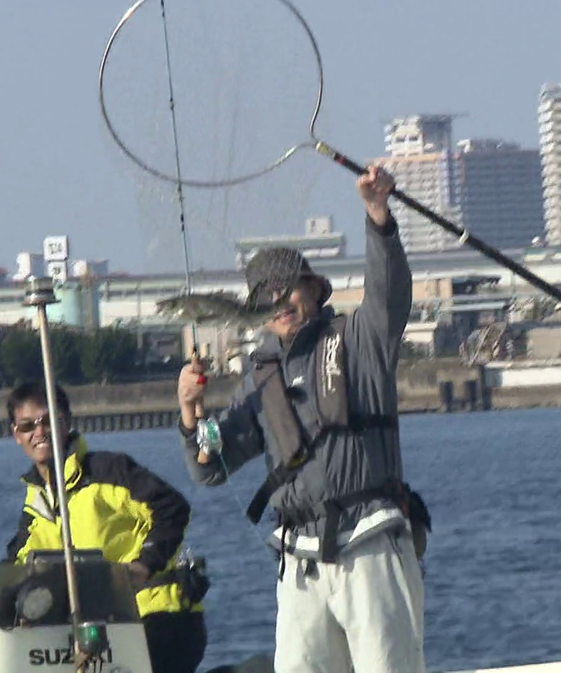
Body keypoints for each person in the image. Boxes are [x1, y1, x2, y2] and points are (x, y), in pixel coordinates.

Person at [176, 164, 427, 673]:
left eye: (289, 288)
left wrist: (378, 216)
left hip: (371, 542)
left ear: (314, 292)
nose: (280, 301)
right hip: (299, 561)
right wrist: (189, 411)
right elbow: (209, 466)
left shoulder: (358, 341)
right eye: (265, 295)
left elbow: (390, 297)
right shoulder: (259, 378)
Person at [0, 381, 207, 673]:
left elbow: (172, 508)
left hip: (159, 618)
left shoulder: (108, 471)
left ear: (66, 422)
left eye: (48, 422)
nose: (39, 432)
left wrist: (143, 565)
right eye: (28, 426)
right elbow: (16, 573)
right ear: (16, 434)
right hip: (101, 633)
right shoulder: (37, 506)